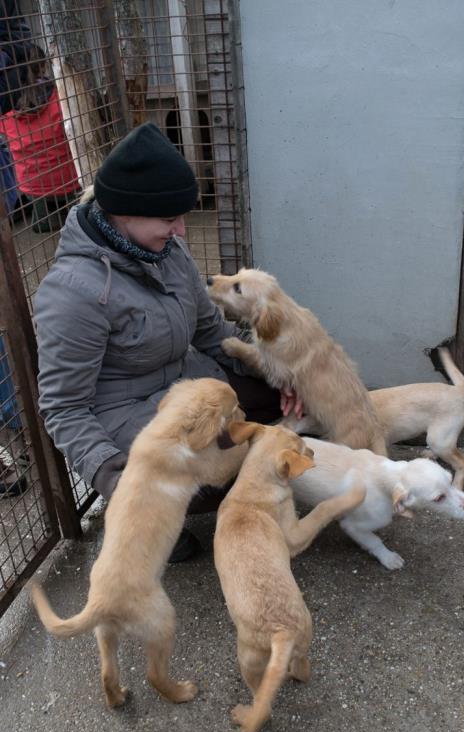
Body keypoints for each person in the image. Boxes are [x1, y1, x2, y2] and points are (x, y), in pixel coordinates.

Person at [33, 121, 286, 561]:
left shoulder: (166, 251)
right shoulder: (73, 292)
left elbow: (211, 331)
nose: (183, 231)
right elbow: (63, 408)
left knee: (279, 400)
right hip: (126, 415)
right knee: (238, 462)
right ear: (123, 213)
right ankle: (150, 519)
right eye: (170, 219)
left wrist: (283, 373)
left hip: (185, 385)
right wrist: (122, 483)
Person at [0, 43, 81, 232]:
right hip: (68, 179)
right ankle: (75, 218)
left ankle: (42, 221)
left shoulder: (6, 105)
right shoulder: (60, 97)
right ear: (44, 66)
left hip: (30, 184)